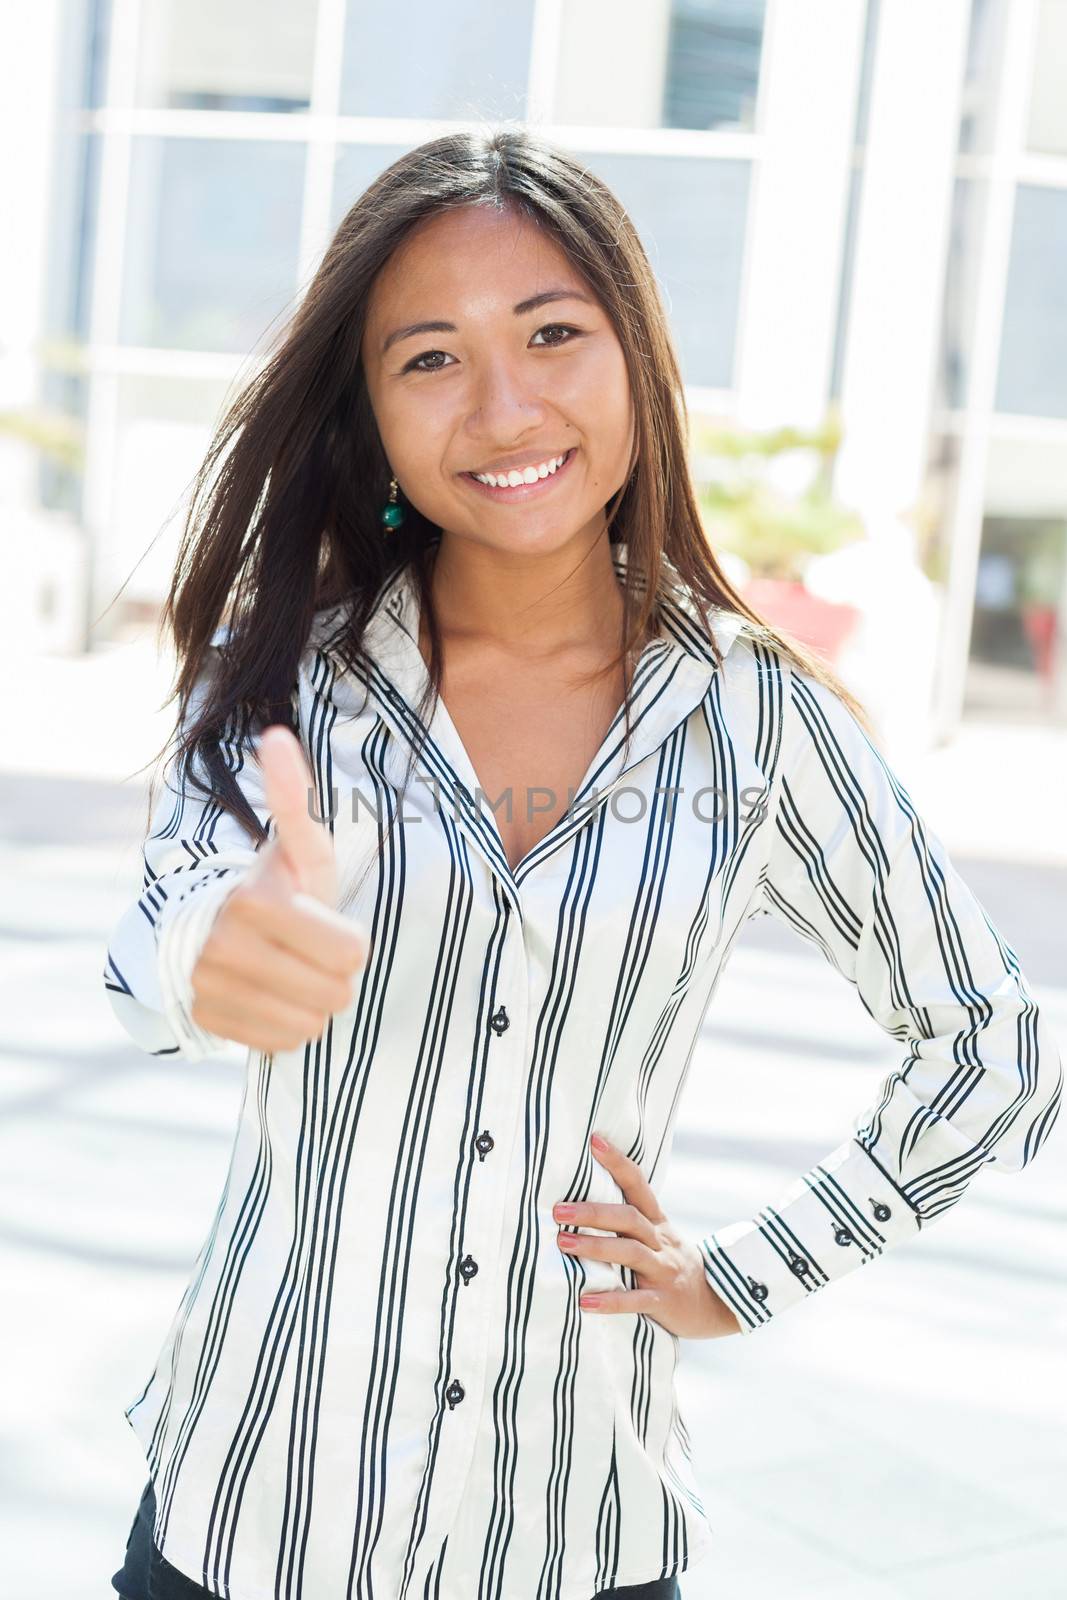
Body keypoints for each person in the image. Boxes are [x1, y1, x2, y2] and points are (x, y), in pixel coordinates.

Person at [103, 127, 1062, 1600]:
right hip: (255, 1518)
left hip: (573, 1533)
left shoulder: (756, 717)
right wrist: (213, 951)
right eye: (430, 358)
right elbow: (149, 945)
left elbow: (995, 1041)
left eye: (552, 333)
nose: (503, 405)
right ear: (369, 408)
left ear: (636, 359)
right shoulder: (288, 676)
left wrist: (748, 1273)